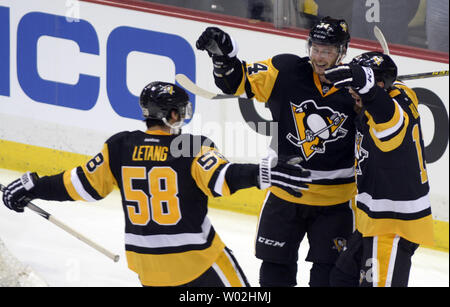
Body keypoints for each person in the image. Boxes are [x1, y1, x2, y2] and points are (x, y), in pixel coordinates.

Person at [1, 81, 311, 287]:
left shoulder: (120, 146)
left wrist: (33, 185)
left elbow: (78, 184)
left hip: (149, 269)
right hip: (198, 262)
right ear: (173, 114)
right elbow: (222, 177)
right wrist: (262, 173)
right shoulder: (191, 146)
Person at [196, 16, 358, 287]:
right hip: (285, 191)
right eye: (315, 49)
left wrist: (374, 90)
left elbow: (384, 119)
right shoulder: (286, 69)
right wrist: (224, 58)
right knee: (274, 275)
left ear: (342, 51)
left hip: (336, 203)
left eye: (327, 51)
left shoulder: (356, 83)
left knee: (329, 279)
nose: (319, 57)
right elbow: (235, 82)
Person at [324, 51, 434, 287]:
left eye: (358, 86)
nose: (352, 91)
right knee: (341, 279)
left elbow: (389, 122)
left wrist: (368, 87)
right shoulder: (403, 92)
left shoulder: (389, 116)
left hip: (392, 222)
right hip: (372, 219)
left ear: (377, 86)